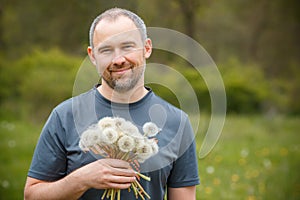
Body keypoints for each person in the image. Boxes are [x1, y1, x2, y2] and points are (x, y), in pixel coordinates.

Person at [24, 7, 200, 200]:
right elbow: (31, 196)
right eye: (106, 50)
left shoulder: (178, 122)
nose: (118, 60)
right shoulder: (64, 116)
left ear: (147, 48)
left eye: (127, 47)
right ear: (92, 56)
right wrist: (81, 180)